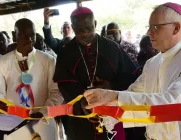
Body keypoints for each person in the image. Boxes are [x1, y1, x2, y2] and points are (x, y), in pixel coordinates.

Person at [84, 2, 181, 140]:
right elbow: (134, 94)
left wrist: (113, 97)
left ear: (176, 28)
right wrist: (105, 107)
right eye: (149, 26)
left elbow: (173, 104)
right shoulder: (153, 63)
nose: (149, 32)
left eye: (155, 26)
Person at [53, 7, 139, 140]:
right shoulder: (66, 53)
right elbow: (64, 84)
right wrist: (81, 101)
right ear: (73, 28)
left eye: (89, 27)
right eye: (79, 30)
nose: (85, 33)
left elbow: (130, 76)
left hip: (111, 112)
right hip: (80, 118)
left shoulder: (112, 48)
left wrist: (111, 85)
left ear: (95, 24)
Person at [0, 18, 63, 140]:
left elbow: (57, 92)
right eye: (23, 35)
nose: (29, 39)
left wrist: (43, 112)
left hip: (43, 122)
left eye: (32, 35)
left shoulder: (48, 60)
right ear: (14, 36)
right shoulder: (2, 63)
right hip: (14, 124)